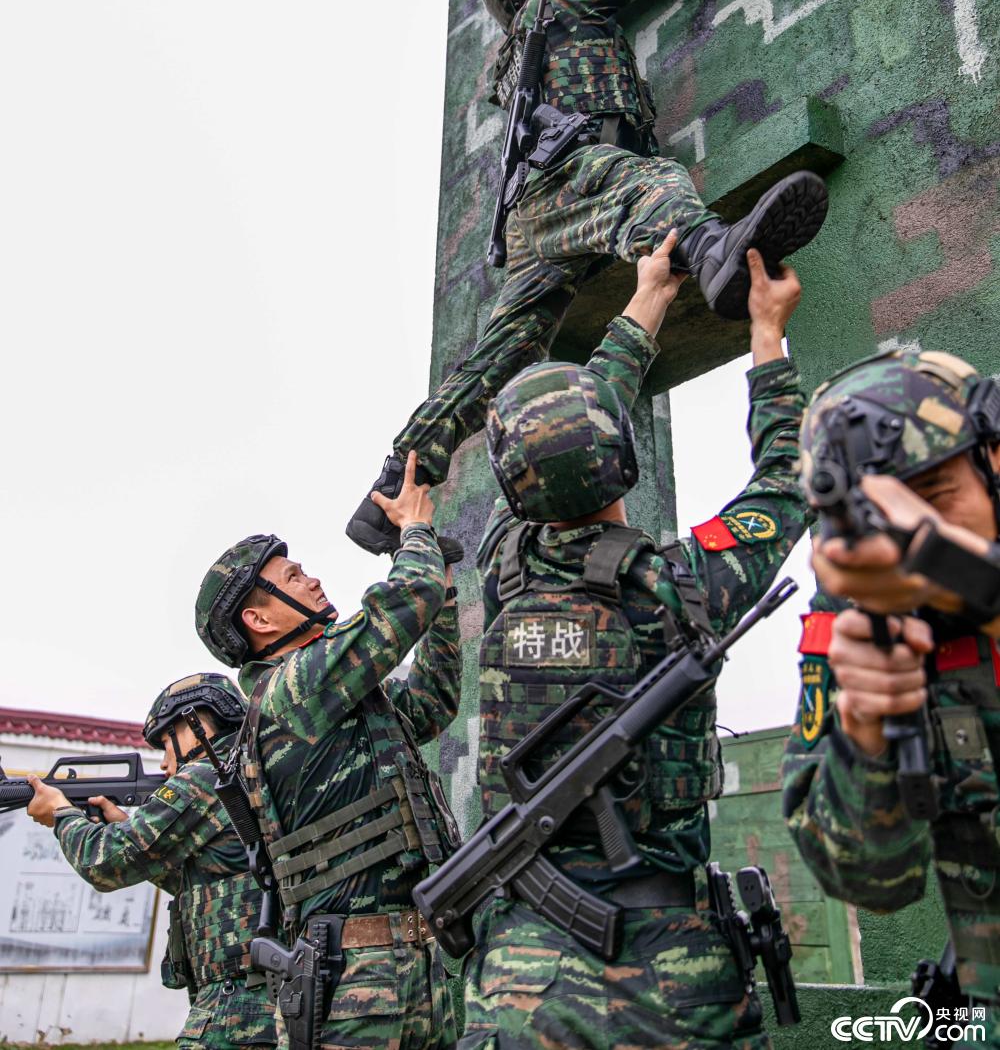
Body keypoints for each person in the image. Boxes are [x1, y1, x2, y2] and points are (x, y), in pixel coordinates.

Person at [346, 0, 828, 553]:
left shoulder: (510, 60)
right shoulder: (567, 2)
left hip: (530, 218)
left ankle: (387, 493)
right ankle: (715, 252)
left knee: (500, 355)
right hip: (573, 170)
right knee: (650, 185)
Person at [458, 233, 809, 1049]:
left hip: (519, 977)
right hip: (670, 974)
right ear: (623, 464)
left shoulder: (503, 568)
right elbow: (784, 479)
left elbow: (569, 439)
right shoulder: (682, 585)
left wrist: (650, 294)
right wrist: (767, 336)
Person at [194, 494, 462, 1050]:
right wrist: (414, 531)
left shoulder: (334, 694)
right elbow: (407, 600)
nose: (311, 580)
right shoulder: (292, 690)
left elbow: (432, 701)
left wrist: (447, 586)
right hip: (357, 979)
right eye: (292, 577)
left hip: (418, 964)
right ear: (259, 618)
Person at [781, 349, 1000, 1020]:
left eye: (934, 496)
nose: (909, 528)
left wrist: (972, 582)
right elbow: (872, 882)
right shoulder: (854, 622)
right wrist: (866, 731)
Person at [27, 673, 276, 1050]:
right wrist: (126, 826)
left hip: (237, 998)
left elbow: (105, 863)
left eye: (165, 743)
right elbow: (208, 878)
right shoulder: (244, 769)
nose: (164, 764)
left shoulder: (208, 775)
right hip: (257, 988)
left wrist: (61, 815)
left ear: (193, 724)